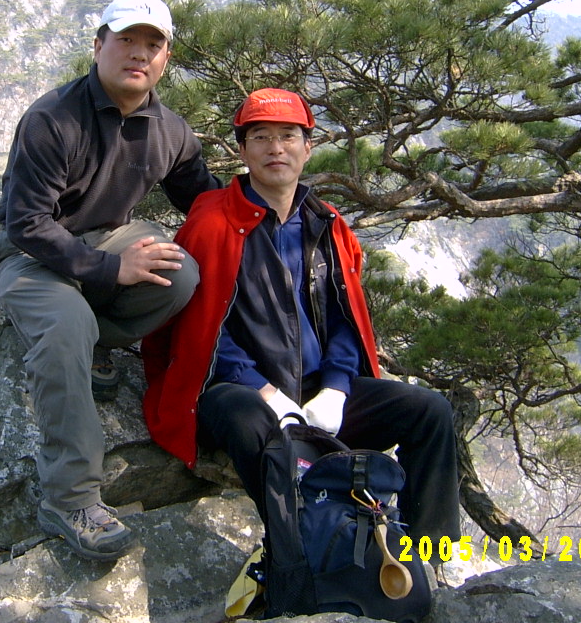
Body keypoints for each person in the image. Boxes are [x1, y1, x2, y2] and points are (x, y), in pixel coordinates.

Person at [141, 88, 461, 560]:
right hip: (234, 389)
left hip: (314, 391)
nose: (276, 148)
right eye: (261, 137)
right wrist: (265, 391)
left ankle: (426, 557)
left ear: (307, 148)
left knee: (429, 411)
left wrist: (335, 388)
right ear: (242, 150)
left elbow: (345, 320)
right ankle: (299, 553)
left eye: (288, 136)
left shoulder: (326, 224)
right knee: (250, 421)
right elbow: (200, 328)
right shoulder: (212, 221)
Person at [0, 0, 221, 561]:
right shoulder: (52, 118)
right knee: (65, 327)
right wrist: (114, 270)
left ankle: (95, 340)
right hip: (31, 256)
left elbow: (206, 202)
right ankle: (69, 498)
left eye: (153, 44)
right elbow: (26, 223)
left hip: (106, 240)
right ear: (98, 46)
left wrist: (272, 210)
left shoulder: (170, 130)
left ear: (165, 58)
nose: (138, 53)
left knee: (181, 274)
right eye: (126, 40)